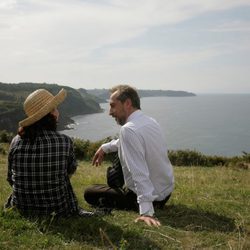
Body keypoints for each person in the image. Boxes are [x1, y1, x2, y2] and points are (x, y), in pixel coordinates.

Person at [84, 85, 174, 226]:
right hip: (165, 192)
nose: (110, 112)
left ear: (127, 103)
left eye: (113, 106)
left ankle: (139, 202)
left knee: (89, 192)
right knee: (118, 158)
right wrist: (105, 147)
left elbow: (139, 173)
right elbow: (128, 142)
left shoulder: (128, 130)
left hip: (152, 199)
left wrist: (146, 212)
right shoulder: (149, 121)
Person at [5, 88, 91, 217]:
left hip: (22, 207)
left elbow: (10, 178)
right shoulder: (64, 141)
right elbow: (70, 170)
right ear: (50, 114)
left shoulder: (15, 141)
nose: (58, 112)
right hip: (58, 209)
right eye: (55, 108)